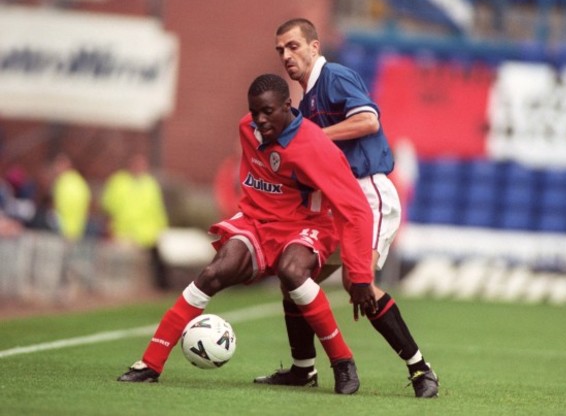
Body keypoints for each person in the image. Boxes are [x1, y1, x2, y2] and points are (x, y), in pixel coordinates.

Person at [117, 73, 377, 395]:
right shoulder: (247, 128)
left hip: (307, 223)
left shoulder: (316, 147)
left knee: (292, 272)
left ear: (288, 106)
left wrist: (361, 274)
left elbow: (357, 210)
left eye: (268, 112)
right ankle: (150, 363)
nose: (260, 120)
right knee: (214, 272)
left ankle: (342, 362)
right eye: (255, 112)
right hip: (258, 220)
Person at [253, 18, 439, 398]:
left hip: (368, 194)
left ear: (314, 47)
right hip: (336, 203)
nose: (286, 56)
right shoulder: (304, 103)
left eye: (293, 46)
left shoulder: (334, 77)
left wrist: (314, 138)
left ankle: (421, 369)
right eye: (281, 50)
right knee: (295, 281)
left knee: (361, 285)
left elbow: (368, 120)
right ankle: (303, 370)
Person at [101, 154, 170, 290]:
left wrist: (161, 229)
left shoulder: (150, 184)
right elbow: (108, 207)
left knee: (144, 273)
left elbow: (157, 209)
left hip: (146, 235)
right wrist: (110, 228)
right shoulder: (118, 182)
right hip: (123, 233)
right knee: (123, 272)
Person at [50, 153, 92, 241]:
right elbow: (87, 206)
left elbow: (56, 207)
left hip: (61, 229)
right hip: (78, 230)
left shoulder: (62, 182)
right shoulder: (80, 182)